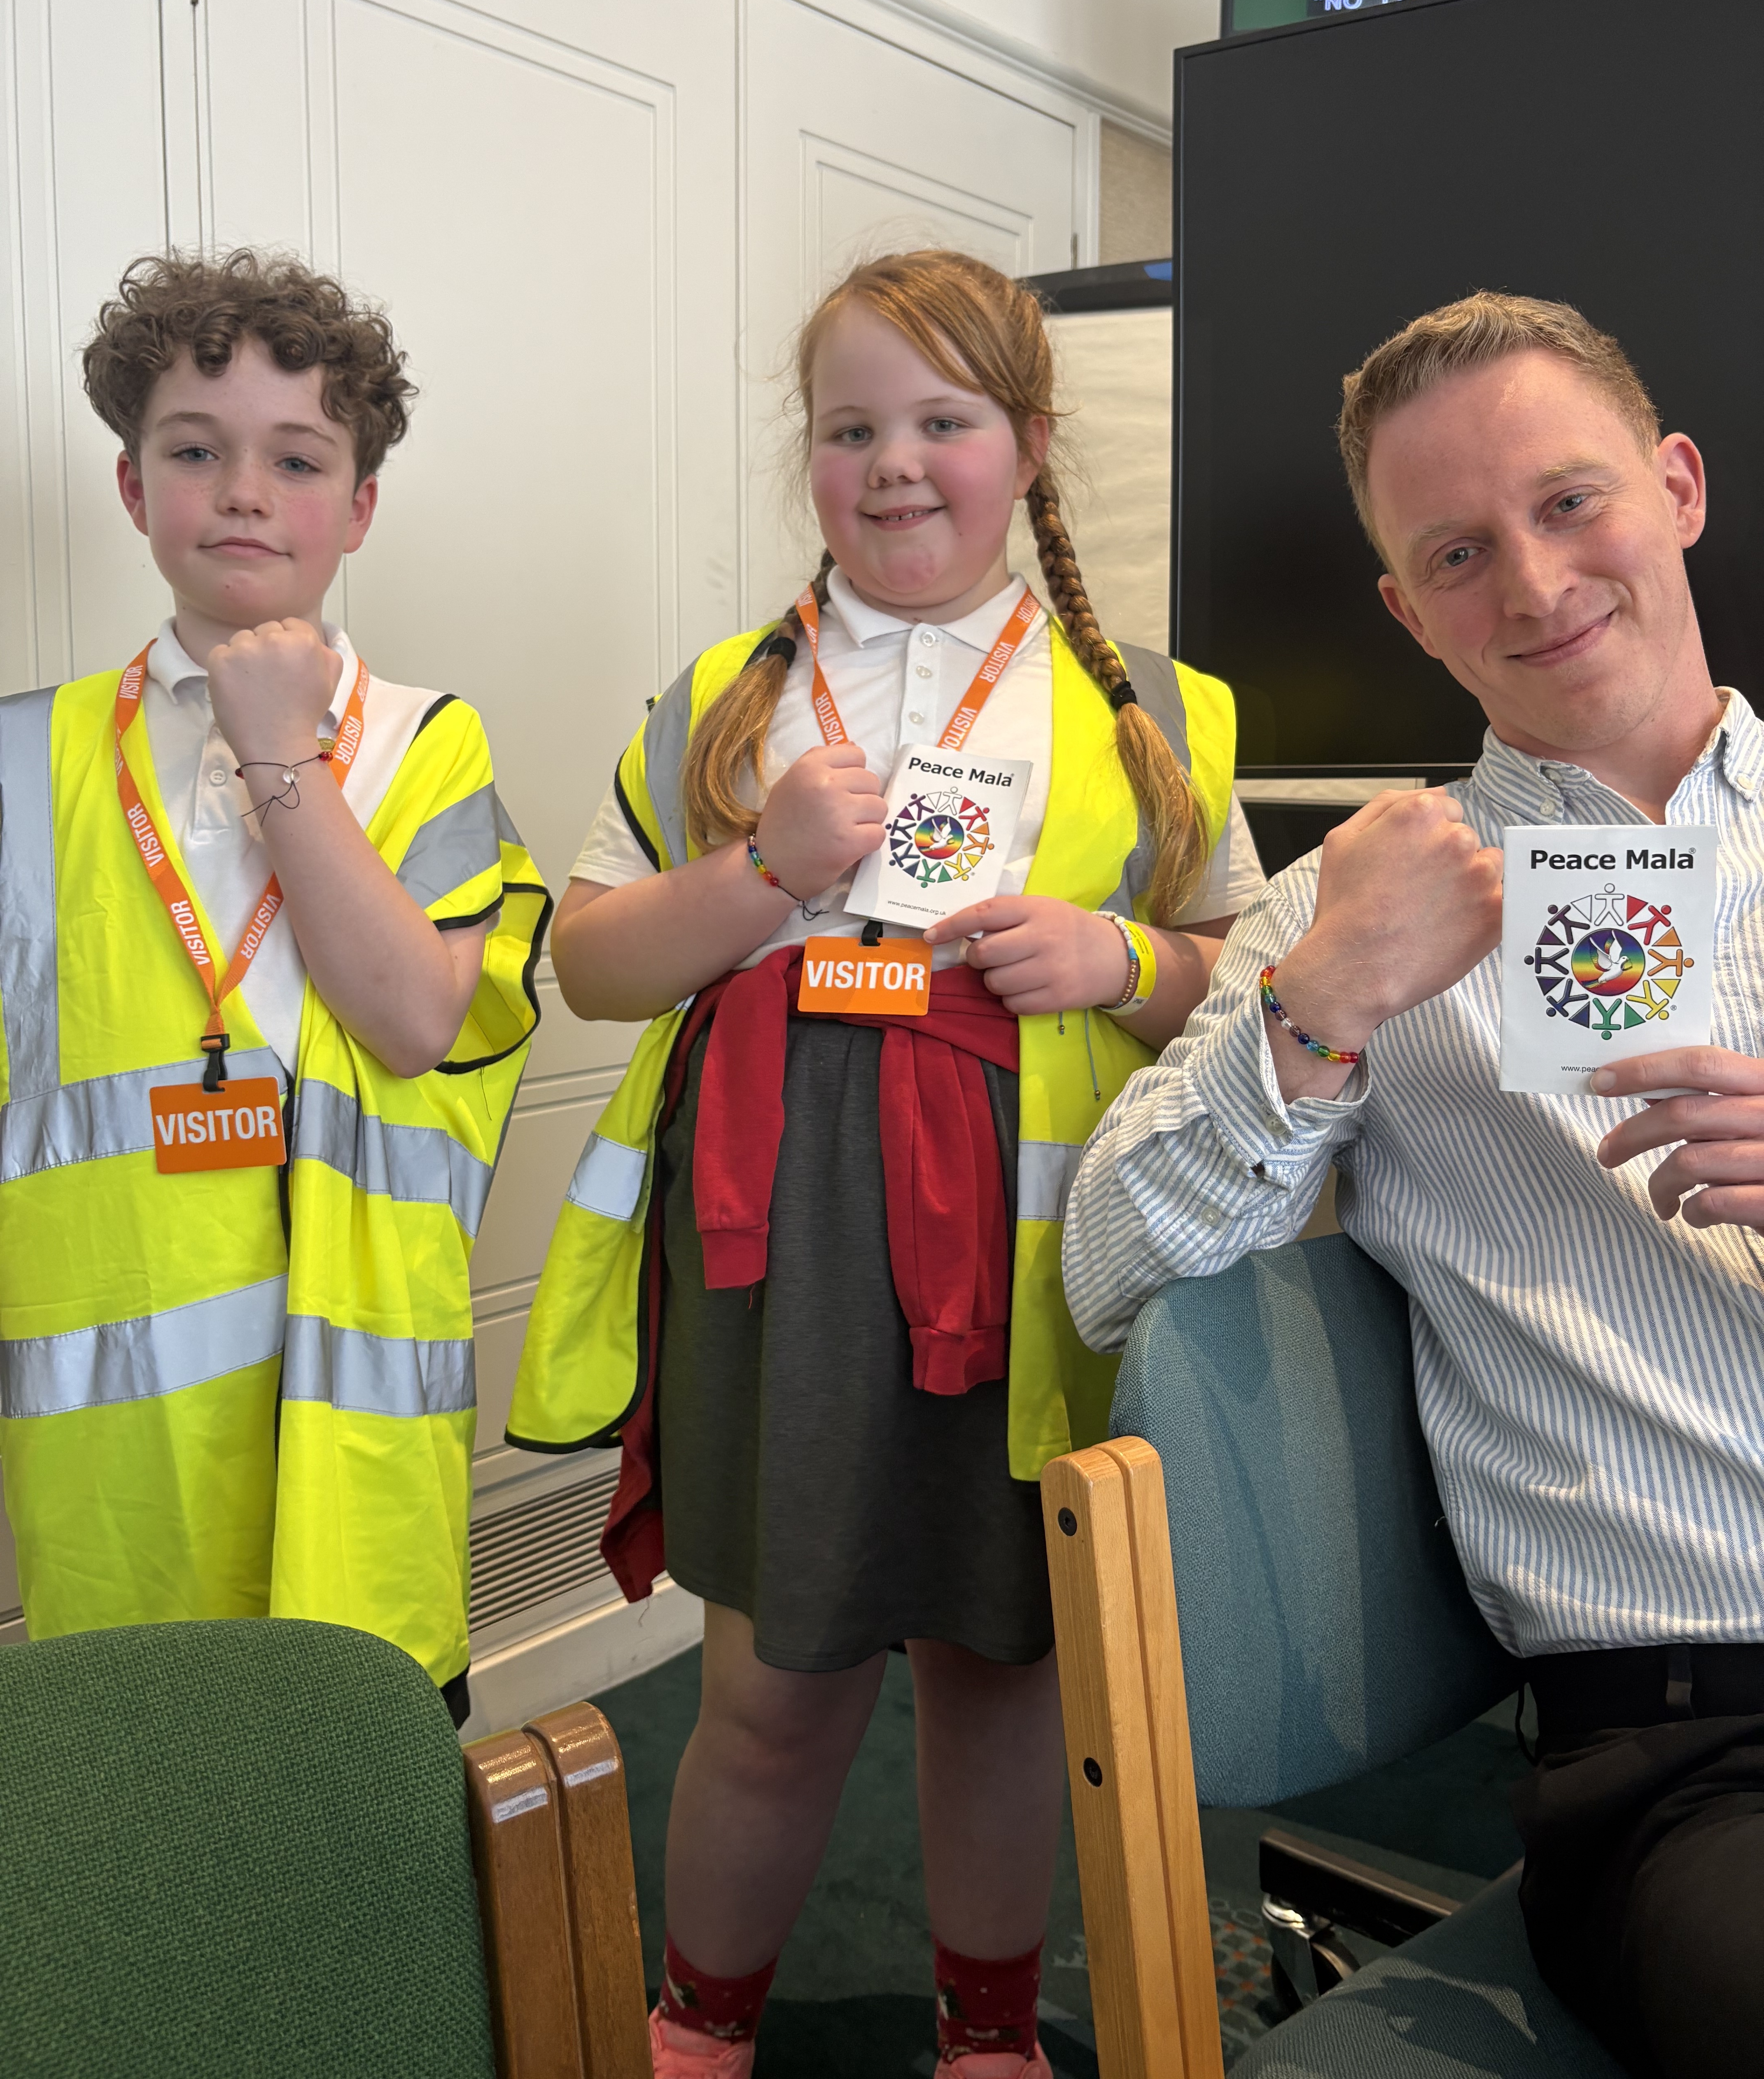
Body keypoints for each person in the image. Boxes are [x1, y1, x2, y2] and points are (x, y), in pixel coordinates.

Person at [508, 250, 1263, 2077]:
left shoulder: (1156, 709)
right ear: (810, 453)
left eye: (944, 421)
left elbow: (1242, 978)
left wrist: (1121, 958)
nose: (895, 464)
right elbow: (588, 966)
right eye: (850, 428)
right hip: (778, 1248)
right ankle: (701, 2024)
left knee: (1001, 1667)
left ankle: (987, 2030)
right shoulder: (721, 698)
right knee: (773, 1682)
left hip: (1029, 1249)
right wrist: (759, 870)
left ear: (1032, 443)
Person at [1064, 290, 1764, 2079]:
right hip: (1697, 1739)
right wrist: (1323, 1009)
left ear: (1679, 489)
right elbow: (1107, 1267)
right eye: (1458, 552)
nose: (1531, 584)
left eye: (1569, 502)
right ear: (1405, 609)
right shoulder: (1349, 909)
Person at [0, 250, 549, 1724]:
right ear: (133, 488)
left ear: (358, 507)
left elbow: (414, 1019)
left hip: (350, 1450)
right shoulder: (25, 760)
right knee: (141, 1810)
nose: (244, 493)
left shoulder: (425, 742)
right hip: (124, 1471)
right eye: (196, 452)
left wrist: (277, 746)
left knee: (362, 1809)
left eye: (297, 461)